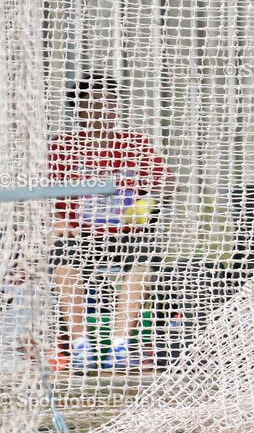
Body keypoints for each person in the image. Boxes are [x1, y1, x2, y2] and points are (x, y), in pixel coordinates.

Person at [49, 73, 175, 370]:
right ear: (78, 110)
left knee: (144, 257)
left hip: (124, 233)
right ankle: (80, 345)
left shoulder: (134, 143)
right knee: (61, 256)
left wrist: (152, 188)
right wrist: (56, 220)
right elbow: (40, 192)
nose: (102, 110)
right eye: (93, 103)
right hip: (78, 234)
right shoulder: (62, 146)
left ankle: (120, 344)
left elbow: (168, 185)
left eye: (109, 102)